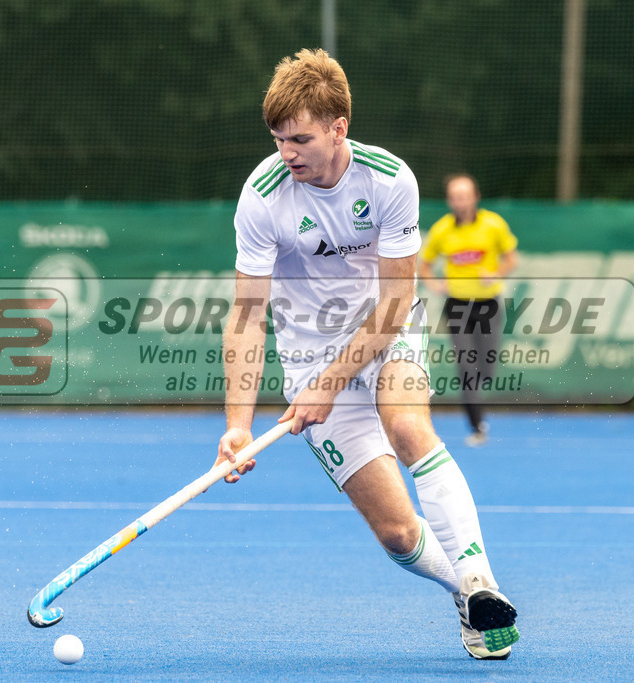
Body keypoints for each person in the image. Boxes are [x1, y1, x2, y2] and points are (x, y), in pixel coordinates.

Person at [214, 49, 519, 660]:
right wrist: (237, 425)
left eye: (300, 138)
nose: (287, 153)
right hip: (307, 355)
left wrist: (331, 381)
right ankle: (464, 592)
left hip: (387, 329)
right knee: (398, 533)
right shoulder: (263, 196)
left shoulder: (388, 179)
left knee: (407, 423)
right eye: (278, 139)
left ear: (338, 129)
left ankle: (479, 573)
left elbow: (395, 302)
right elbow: (247, 315)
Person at [418, 174, 519, 446]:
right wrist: (435, 285)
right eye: (454, 197)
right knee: (467, 366)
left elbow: (512, 258)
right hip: (458, 307)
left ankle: (478, 412)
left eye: (464, 196)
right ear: (449, 201)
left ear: (476, 197)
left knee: (486, 368)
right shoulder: (442, 230)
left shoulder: (493, 225)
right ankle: (477, 426)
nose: (459, 202)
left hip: (488, 305)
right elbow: (424, 264)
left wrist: (497, 272)